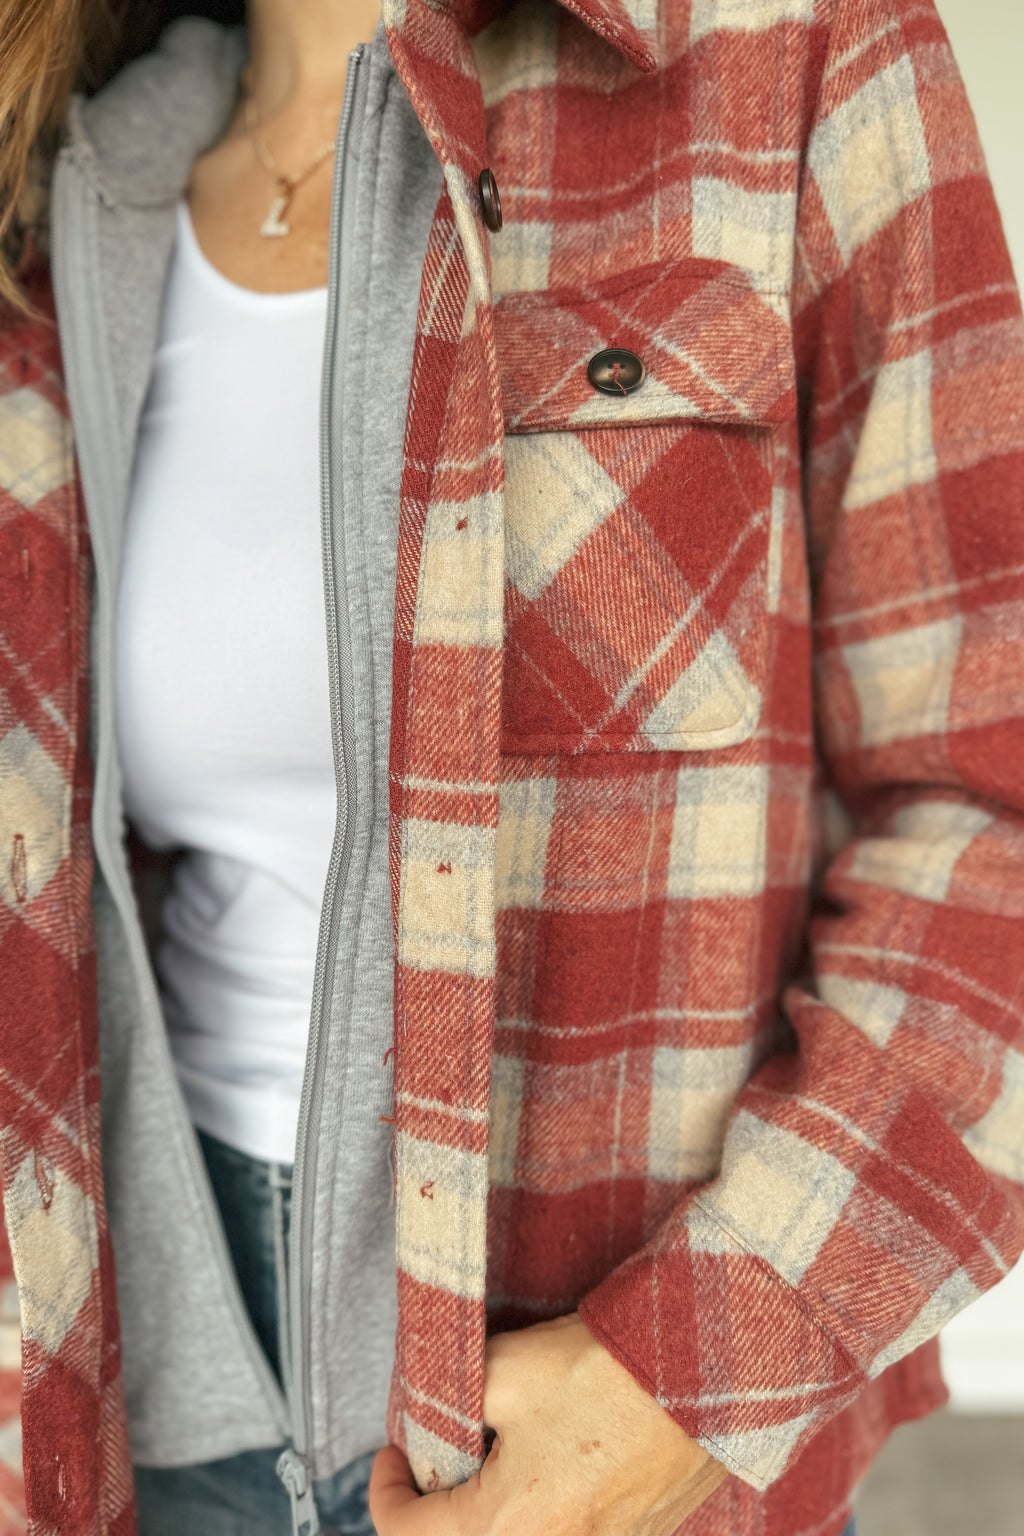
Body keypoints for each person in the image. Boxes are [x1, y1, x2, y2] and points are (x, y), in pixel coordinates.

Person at [1, 0, 1022, 1533]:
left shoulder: (794, 57)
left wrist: (700, 1371)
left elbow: (989, 803)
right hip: (140, 1383)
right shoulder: (76, 181)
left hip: (586, 1430)